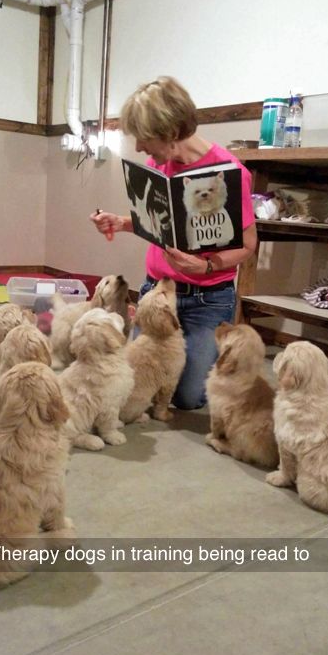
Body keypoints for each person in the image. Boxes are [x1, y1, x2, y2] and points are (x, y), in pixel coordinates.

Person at [90, 76, 256, 410]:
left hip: (206, 300)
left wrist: (207, 264)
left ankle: (220, 362)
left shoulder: (229, 172)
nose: (139, 148)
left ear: (169, 133)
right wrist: (121, 222)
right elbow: (161, 227)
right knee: (137, 384)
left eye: (143, 137)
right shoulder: (158, 163)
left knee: (187, 398)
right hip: (157, 293)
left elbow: (249, 246)